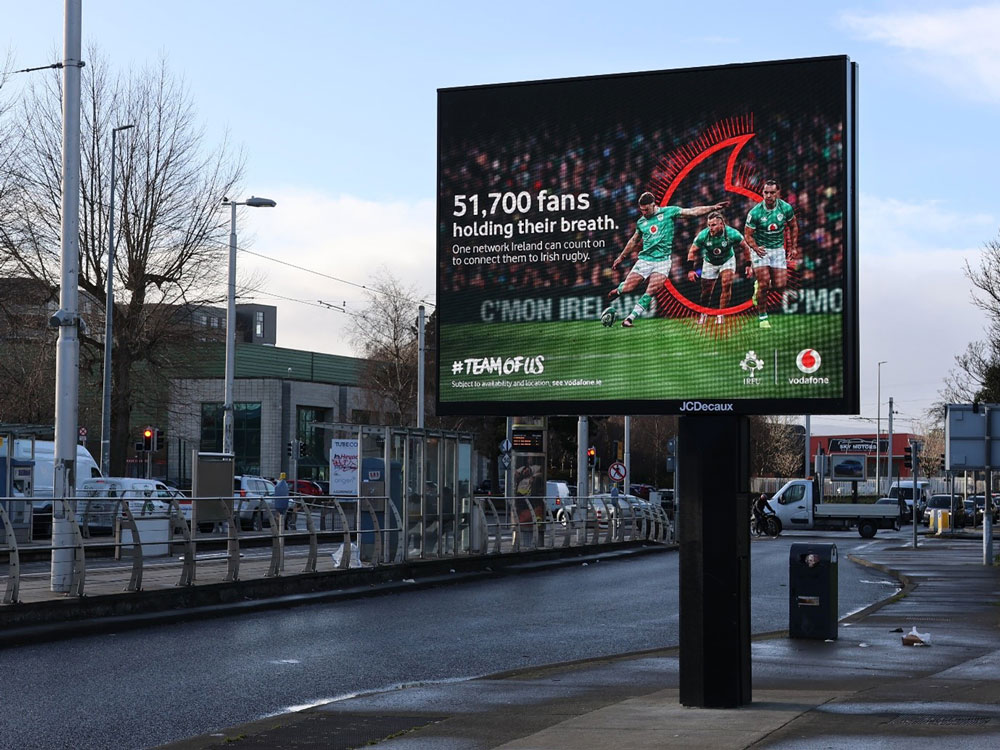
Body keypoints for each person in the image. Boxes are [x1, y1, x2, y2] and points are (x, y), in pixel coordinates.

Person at [602, 191, 729, 328]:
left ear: (653, 205)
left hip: (663, 261)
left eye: (646, 209)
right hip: (645, 260)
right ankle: (619, 290)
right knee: (629, 287)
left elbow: (692, 212)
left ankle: (630, 319)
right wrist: (621, 257)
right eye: (641, 210)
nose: (644, 212)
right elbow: (633, 240)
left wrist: (712, 208)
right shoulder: (641, 222)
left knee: (652, 289)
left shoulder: (669, 212)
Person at [744, 180, 799, 329]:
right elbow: (747, 235)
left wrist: (793, 247)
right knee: (764, 282)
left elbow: (793, 226)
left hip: (778, 249)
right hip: (760, 249)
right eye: (766, 192)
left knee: (780, 285)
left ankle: (758, 288)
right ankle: (763, 318)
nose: (768, 195)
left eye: (772, 193)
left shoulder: (786, 208)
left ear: (778, 193)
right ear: (762, 193)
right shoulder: (755, 212)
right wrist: (755, 248)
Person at [686, 211, 753, 325]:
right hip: (709, 262)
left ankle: (721, 315)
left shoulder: (732, 233)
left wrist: (748, 265)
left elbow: (746, 248)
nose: (710, 228)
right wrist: (690, 270)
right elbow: (692, 251)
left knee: (726, 283)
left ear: (722, 224)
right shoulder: (703, 235)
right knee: (706, 291)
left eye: (713, 225)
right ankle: (703, 314)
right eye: (709, 225)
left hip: (727, 260)